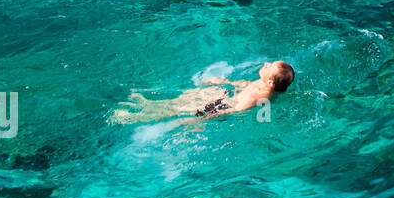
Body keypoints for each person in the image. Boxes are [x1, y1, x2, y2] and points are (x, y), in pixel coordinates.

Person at [111, 61, 296, 124]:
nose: (265, 64)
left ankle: (133, 116)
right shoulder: (264, 83)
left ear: (270, 81)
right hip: (225, 96)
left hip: (222, 105)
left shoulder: (261, 96)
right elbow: (245, 84)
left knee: (178, 110)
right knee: (180, 100)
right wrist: (225, 82)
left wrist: (200, 118)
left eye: (269, 66)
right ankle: (143, 104)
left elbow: (236, 109)